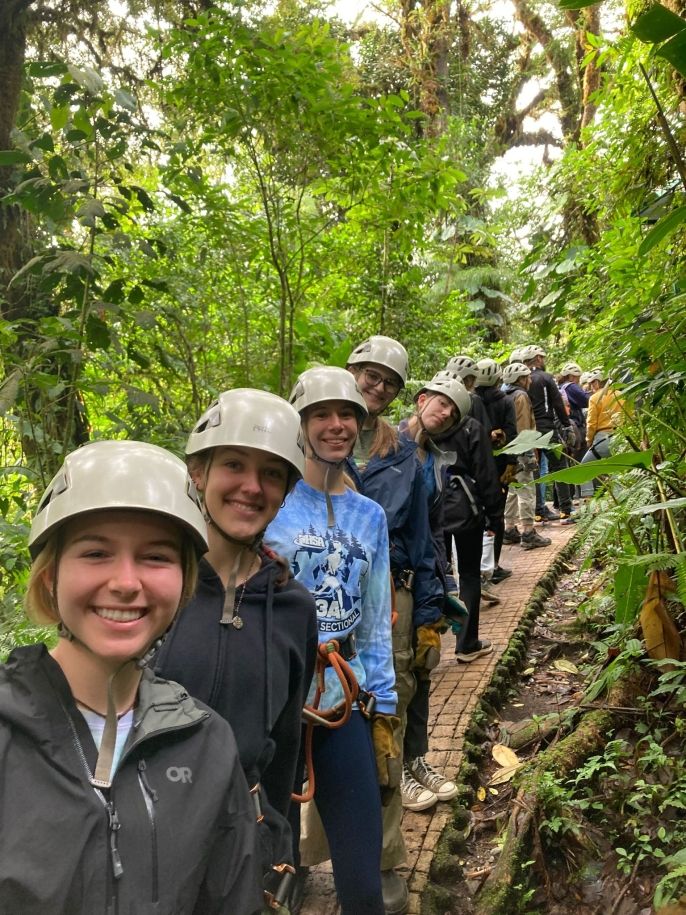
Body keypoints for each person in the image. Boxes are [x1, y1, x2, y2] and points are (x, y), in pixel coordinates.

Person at [0, 440, 262, 914]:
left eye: (156, 557)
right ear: (48, 578)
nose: (125, 581)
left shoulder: (207, 745)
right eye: (96, 552)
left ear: (183, 581)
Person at [155, 390, 318, 909]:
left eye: (272, 473)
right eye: (233, 465)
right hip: (145, 846)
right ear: (197, 474)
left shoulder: (293, 608)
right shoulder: (150, 590)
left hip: (244, 853)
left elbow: (286, 749)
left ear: (287, 490)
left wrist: (280, 848)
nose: (252, 487)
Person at [266, 366, 398, 915]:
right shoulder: (270, 502)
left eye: (347, 415)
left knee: (363, 879)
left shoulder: (369, 515)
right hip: (274, 698)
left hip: (342, 698)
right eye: (322, 414)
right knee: (264, 867)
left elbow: (372, 617)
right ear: (300, 423)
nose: (337, 425)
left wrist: (383, 701)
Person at [345, 335, 446, 915]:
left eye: (389, 381)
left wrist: (428, 611)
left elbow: (420, 537)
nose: (377, 386)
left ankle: (384, 859)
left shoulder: (402, 453)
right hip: (318, 591)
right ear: (353, 371)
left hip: (391, 590)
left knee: (386, 713)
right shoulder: (308, 426)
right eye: (370, 374)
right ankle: (283, 853)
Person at [398, 371, 471, 804]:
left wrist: (447, 583)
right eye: (441, 403)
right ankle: (395, 774)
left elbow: (436, 528)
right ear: (423, 398)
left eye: (453, 413)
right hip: (390, 584)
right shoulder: (387, 448)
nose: (445, 415)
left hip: (424, 583)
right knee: (396, 678)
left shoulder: (435, 462)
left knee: (423, 671)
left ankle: (416, 760)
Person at [520, 344, 576, 523]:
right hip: (547, 429)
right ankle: (566, 510)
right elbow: (558, 404)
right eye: (542, 357)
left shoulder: (522, 380)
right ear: (537, 358)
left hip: (529, 431)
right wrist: (567, 426)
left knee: (534, 470)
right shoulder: (545, 378)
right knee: (559, 466)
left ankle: (538, 510)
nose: (544, 360)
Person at [473, 357, 517, 582]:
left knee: (475, 513)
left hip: (475, 465)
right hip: (499, 466)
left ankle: (477, 564)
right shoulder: (505, 401)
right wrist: (512, 462)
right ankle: (494, 564)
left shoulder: (469, 400)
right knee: (495, 515)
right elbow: (512, 434)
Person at [501, 362, 551, 550]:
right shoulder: (521, 396)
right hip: (521, 448)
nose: (530, 380)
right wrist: (528, 450)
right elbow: (522, 426)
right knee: (526, 490)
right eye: (527, 377)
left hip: (508, 449)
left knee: (512, 491)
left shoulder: (505, 394)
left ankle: (509, 528)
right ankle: (528, 532)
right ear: (520, 379)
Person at [579, 369, 627, 498]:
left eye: (591, 383)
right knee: (617, 470)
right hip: (621, 437)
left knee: (584, 467)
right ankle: (620, 500)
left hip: (602, 440)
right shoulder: (621, 395)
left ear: (596, 382)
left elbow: (591, 423)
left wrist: (589, 440)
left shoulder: (595, 398)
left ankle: (588, 500)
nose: (590, 387)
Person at [558, 361, 589, 465]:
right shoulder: (570, 386)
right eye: (578, 378)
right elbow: (586, 400)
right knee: (583, 457)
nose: (579, 381)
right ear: (571, 376)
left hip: (565, 428)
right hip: (576, 425)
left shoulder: (559, 387)